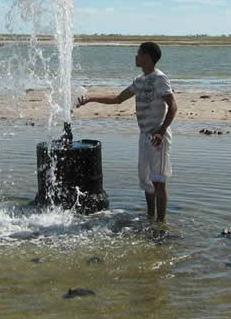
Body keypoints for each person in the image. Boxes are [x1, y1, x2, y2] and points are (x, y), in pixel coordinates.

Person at [76, 42, 178, 222]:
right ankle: (150, 217)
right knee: (147, 181)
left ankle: (161, 224)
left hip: (158, 137)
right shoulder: (140, 80)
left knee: (159, 181)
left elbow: (173, 106)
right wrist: (91, 98)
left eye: (138, 53)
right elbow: (118, 99)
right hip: (144, 135)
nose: (135, 56)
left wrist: (161, 132)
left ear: (147, 56)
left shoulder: (159, 78)